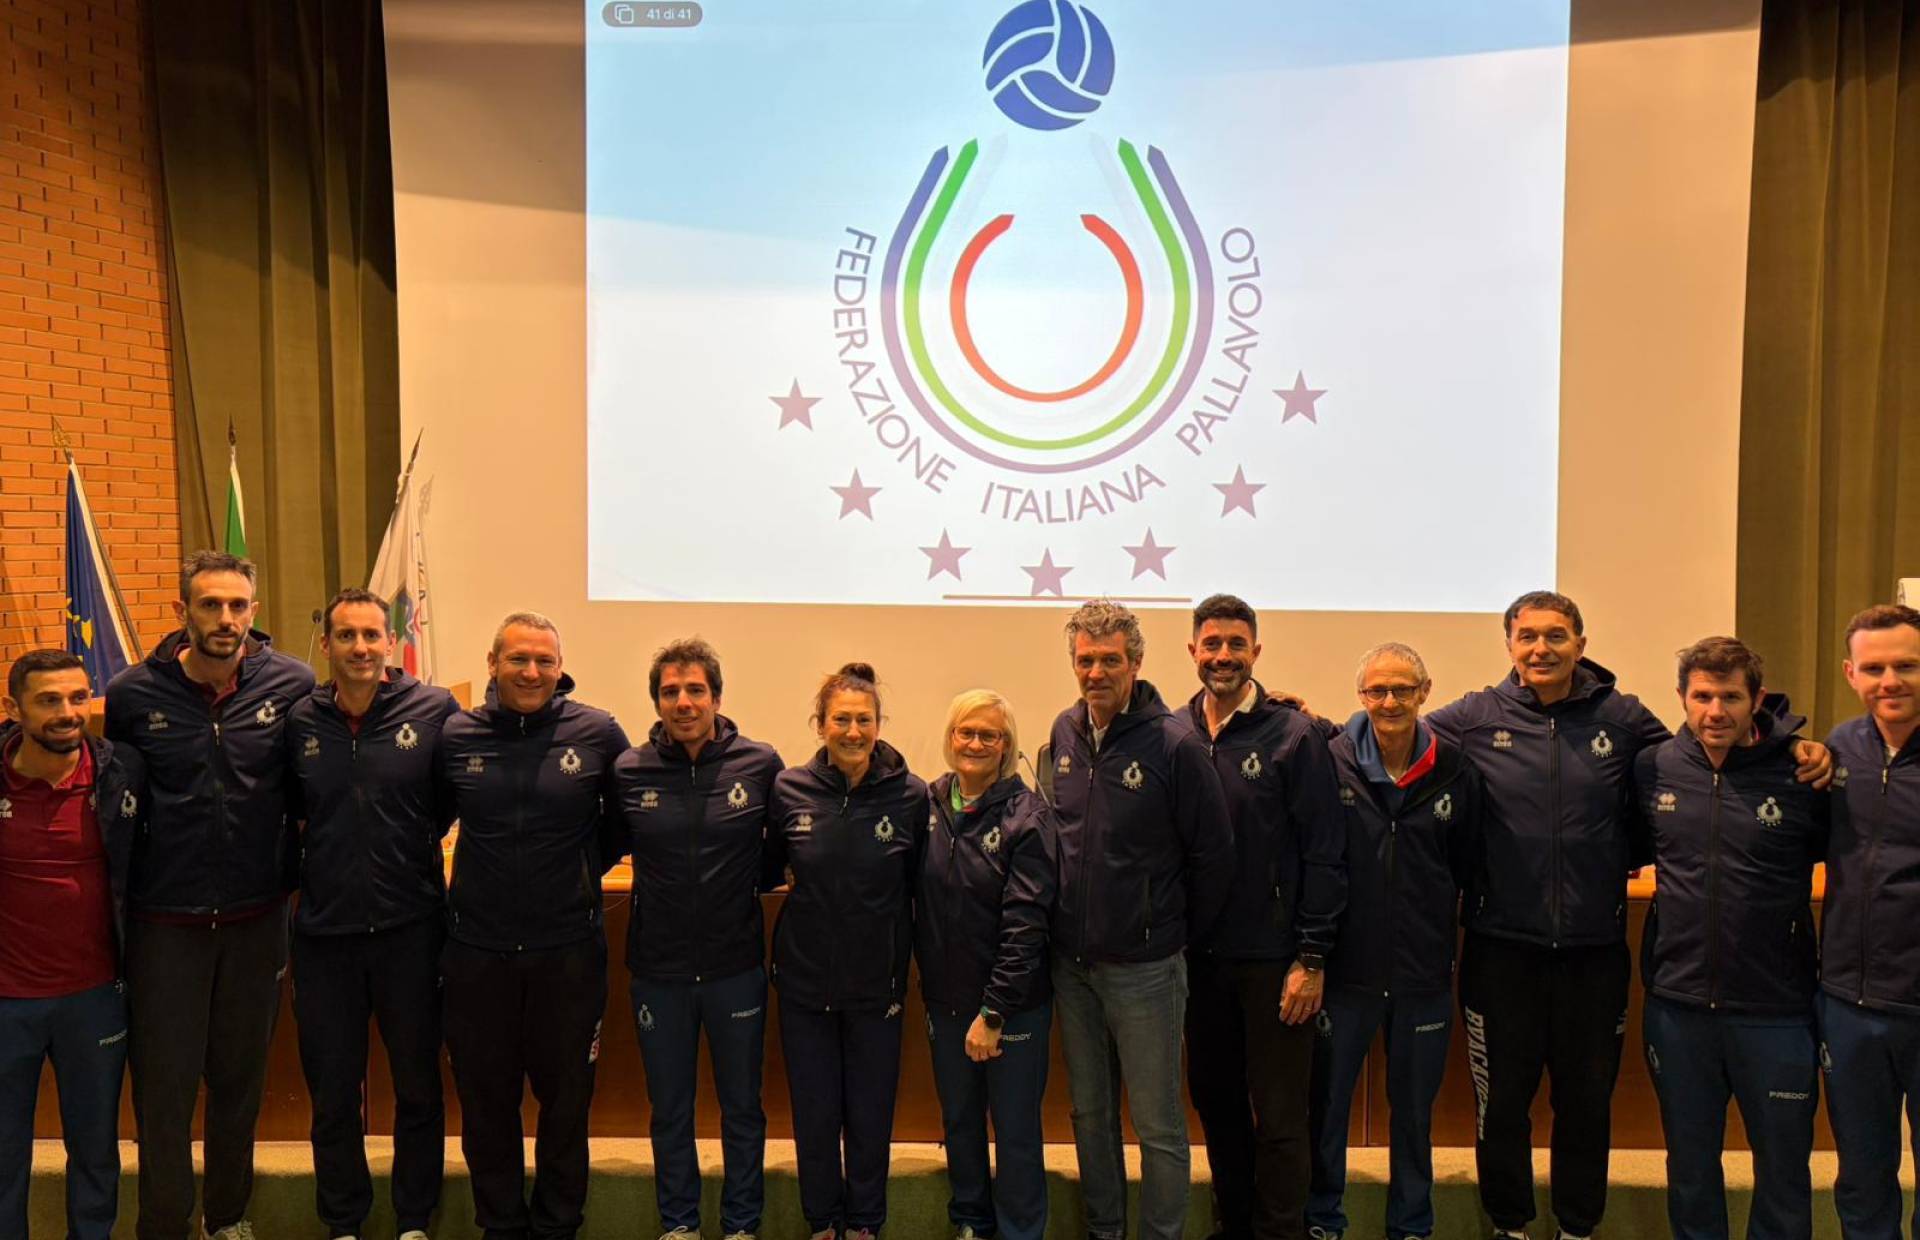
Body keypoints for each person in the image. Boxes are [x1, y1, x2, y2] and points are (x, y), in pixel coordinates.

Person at [1427, 590, 1827, 1240]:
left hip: (1595, 955)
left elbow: (1707, 756)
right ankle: (1510, 1225)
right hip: (1500, 952)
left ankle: (1578, 1228)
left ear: (1581, 644)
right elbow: (1392, 729)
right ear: (1509, 645)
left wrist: (1797, 747)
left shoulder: (1625, 720)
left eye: (1556, 635)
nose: (1541, 648)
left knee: (1587, 1104)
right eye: (1527, 636)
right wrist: (1307, 721)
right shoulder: (1473, 717)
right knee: (1500, 1107)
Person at [105, 550, 315, 1240]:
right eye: (210, 605)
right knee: (163, 1090)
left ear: (255, 611)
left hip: (257, 919)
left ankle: (227, 1219)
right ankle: (165, 1225)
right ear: (182, 612)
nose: (225, 618)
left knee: (238, 1083)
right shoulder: (134, 693)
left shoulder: (292, 684)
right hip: (165, 924)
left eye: (237, 605)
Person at [1043, 600, 1234, 1240]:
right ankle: (1105, 1230)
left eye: (1110, 660)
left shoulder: (1175, 744)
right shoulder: (1064, 733)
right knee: (1090, 1116)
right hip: (1073, 967)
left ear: (1137, 663)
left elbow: (1213, 856)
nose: (1096, 672)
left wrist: (1169, 931)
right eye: (1085, 659)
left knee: (1157, 1125)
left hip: (1147, 971)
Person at [437, 612, 630, 1240]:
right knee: (486, 1105)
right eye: (518, 658)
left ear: (561, 666)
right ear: (493, 663)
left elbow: (621, 823)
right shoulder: (456, 734)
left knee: (567, 1105)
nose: (531, 671)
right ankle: (500, 1227)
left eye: (544, 660)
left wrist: (576, 873)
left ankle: (556, 1227)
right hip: (477, 954)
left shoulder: (598, 732)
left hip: (568, 953)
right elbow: (429, 818)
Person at [1634, 636, 1825, 1240]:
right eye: (1702, 697)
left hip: (1777, 1011)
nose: (1715, 711)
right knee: (1690, 1170)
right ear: (1682, 698)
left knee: (1784, 1172)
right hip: (1678, 1008)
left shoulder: (1802, 772)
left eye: (1730, 697)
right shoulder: (1654, 767)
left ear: (1757, 700)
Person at [285, 588, 459, 1240]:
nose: (360, 647)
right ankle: (344, 1222)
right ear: (325, 644)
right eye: (346, 636)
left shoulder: (434, 711)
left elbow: (444, 805)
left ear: (391, 642)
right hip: (325, 936)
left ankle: (414, 1219)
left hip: (411, 930)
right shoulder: (298, 721)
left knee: (417, 1088)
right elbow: (290, 810)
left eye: (371, 635)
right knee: (333, 1094)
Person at [1179, 594, 1346, 1240]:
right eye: (1211, 644)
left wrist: (1311, 958)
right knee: (1217, 1105)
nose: (1223, 656)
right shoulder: (1174, 733)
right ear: (1193, 651)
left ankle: (1280, 1232)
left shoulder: (1294, 735)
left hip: (1278, 963)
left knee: (1279, 1117)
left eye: (1235, 644)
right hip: (1198, 962)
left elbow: (1325, 852)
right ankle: (1236, 1224)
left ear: (1256, 651)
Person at [612, 639, 783, 1240]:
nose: (683, 702)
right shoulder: (629, 770)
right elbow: (607, 844)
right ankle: (680, 1224)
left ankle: (741, 1225)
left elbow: (777, 854)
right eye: (670, 692)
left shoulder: (760, 764)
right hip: (658, 971)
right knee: (669, 1109)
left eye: (695, 690)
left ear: (717, 696)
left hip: (735, 967)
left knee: (742, 1107)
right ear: (656, 701)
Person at [1309, 642, 1480, 1240]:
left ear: (1424, 693)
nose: (1389, 702)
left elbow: (1466, 864)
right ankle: (1322, 1220)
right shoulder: (1329, 761)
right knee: (1327, 1110)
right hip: (1344, 975)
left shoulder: (1456, 768)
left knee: (1413, 1115)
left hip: (1422, 975)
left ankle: (1411, 1225)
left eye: (1402, 690)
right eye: (1377, 690)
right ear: (1361, 696)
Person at [766, 663, 927, 1240]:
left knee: (869, 1115)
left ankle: (863, 1223)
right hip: (804, 983)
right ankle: (822, 1223)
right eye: (841, 720)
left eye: (864, 720)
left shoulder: (911, 796)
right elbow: (770, 867)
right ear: (821, 724)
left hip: (876, 986)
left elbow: (921, 887)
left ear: (879, 725)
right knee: (814, 1115)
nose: (853, 731)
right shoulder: (789, 789)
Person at [0, 650, 143, 1240]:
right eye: (49, 700)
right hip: (7, 1003)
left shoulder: (123, 773)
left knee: (96, 1150)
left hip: (95, 999)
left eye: (78, 697)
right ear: (14, 709)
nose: (67, 712)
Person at [915, 689, 1056, 1240]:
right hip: (946, 1001)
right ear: (951, 738)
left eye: (988, 735)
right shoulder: (929, 804)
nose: (975, 743)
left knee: (1015, 1131)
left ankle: (1020, 1231)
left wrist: (994, 1011)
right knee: (960, 1123)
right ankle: (972, 1223)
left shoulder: (1028, 817)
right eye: (965, 732)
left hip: (1012, 1010)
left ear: (1006, 746)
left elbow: (1026, 925)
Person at [1818, 603, 1920, 1238]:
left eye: (1906, 666)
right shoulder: (1838, 748)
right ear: (1851, 673)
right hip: (1849, 1006)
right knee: (1861, 1176)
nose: (1891, 681)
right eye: (1875, 668)